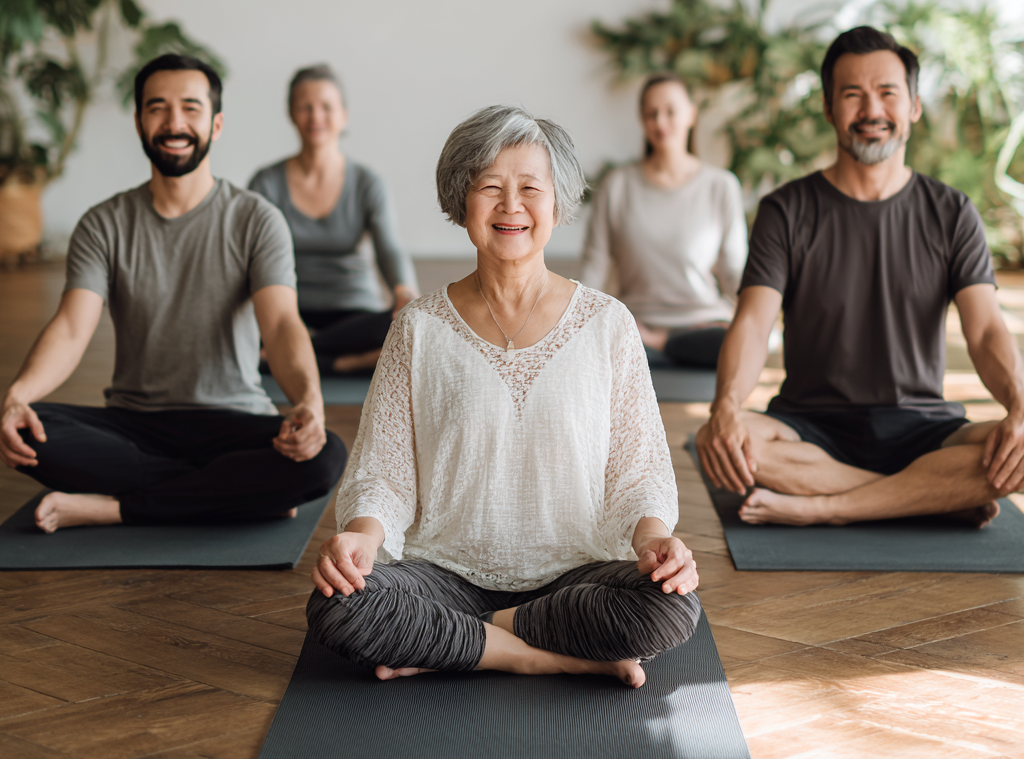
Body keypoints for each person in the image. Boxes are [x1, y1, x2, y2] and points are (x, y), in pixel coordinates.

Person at [307, 105, 700, 688]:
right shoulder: (418, 326)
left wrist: (655, 542)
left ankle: (461, 641)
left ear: (558, 204)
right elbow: (383, 472)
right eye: (489, 187)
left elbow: (639, 469)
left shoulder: (608, 323)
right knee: (337, 605)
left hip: (578, 574)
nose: (510, 205)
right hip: (444, 575)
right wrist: (361, 538)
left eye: (530, 188)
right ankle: (547, 656)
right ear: (461, 201)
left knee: (671, 606)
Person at [0, 54, 347, 532]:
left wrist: (309, 401)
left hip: (234, 419)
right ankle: (238, 495)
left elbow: (282, 323)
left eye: (190, 107)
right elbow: (71, 327)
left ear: (216, 123)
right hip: (134, 423)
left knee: (325, 456)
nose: (174, 122)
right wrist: (18, 395)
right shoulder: (103, 223)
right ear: (140, 121)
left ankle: (112, 508)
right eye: (157, 108)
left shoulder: (256, 219)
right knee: (28, 430)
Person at [696, 26, 1024, 527]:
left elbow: (985, 330)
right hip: (810, 427)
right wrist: (725, 406)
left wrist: (1020, 405)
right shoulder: (786, 209)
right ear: (829, 109)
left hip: (924, 429)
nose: (872, 111)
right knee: (723, 440)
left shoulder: (952, 212)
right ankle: (931, 496)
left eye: (888, 93)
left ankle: (830, 507)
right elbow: (753, 324)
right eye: (852, 95)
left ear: (914, 106)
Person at [249, 65, 418, 374]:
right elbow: (251, 256)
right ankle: (341, 362)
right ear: (291, 114)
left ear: (344, 115)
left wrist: (404, 292)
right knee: (243, 331)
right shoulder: (266, 182)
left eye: (326, 107)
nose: (316, 116)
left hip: (354, 314)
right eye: (305, 107)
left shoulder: (368, 182)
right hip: (289, 309)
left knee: (405, 329)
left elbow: (389, 247)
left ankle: (296, 351)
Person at [581, 74, 747, 369]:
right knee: (604, 340)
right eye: (651, 113)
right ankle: (660, 345)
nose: (660, 121)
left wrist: (755, 314)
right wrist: (576, 322)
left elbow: (734, 271)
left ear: (691, 114)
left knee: (743, 339)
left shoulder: (721, 185)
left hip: (705, 325)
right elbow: (595, 266)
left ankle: (662, 344)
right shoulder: (616, 185)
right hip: (636, 326)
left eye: (671, 111)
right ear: (641, 120)